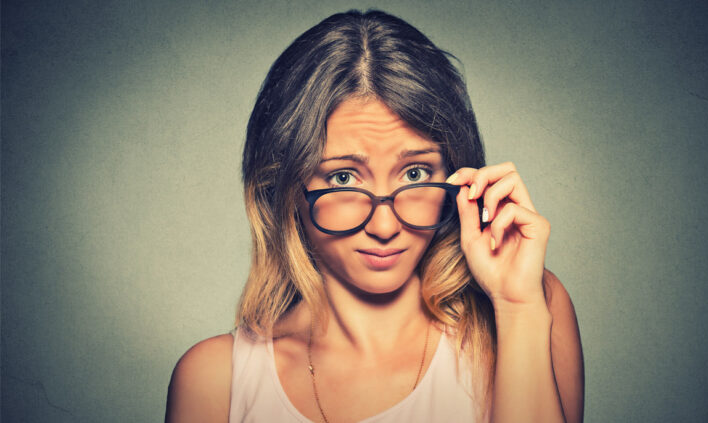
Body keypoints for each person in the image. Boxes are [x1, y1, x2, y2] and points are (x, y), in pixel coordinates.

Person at [165, 9, 584, 423]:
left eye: (416, 173)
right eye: (344, 178)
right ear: (285, 187)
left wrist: (517, 307)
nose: (385, 227)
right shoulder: (216, 381)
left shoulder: (530, 306)